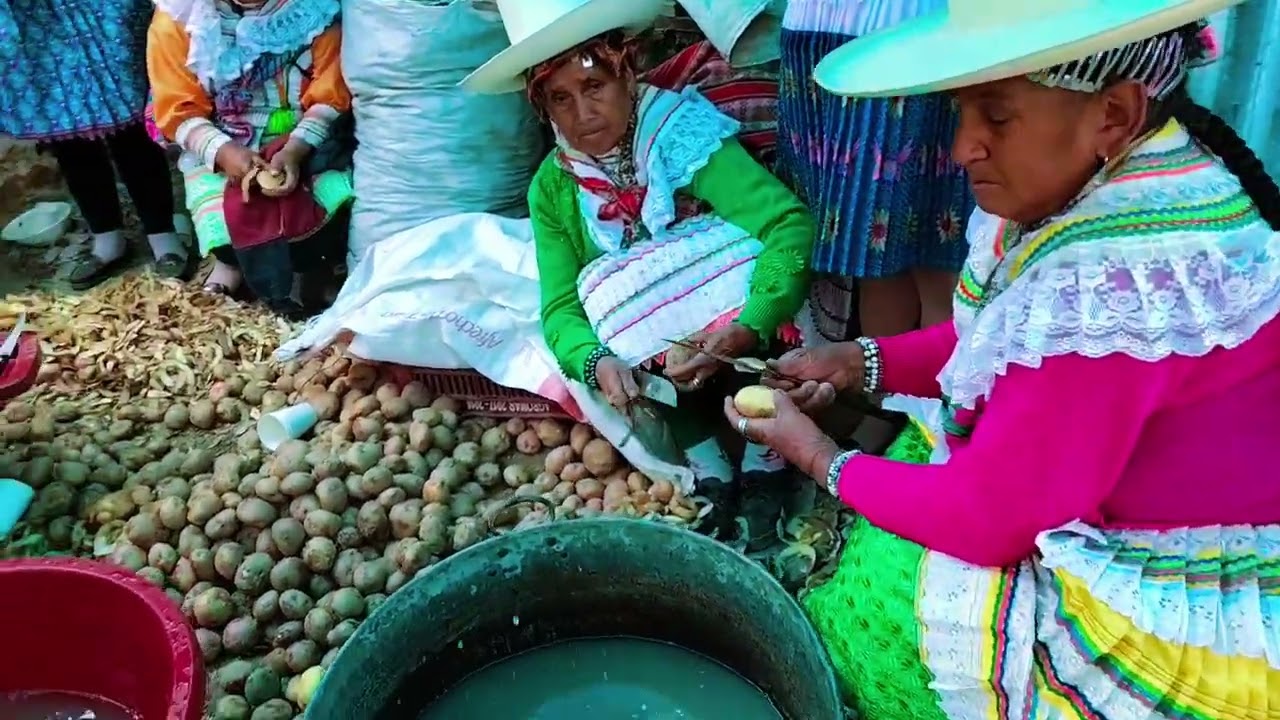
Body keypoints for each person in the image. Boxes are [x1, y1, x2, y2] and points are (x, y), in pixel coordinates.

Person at [724, 1, 1280, 717]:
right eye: (963, 116)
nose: (963, 149)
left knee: (893, 616)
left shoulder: (1113, 275)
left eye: (998, 117)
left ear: (1112, 112)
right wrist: (860, 360)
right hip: (1112, 481)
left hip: (1186, 570)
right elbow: (1000, 342)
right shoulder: (1128, 176)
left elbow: (989, 522)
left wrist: (818, 457)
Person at [463, 0, 818, 541]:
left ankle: (765, 459)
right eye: (561, 99)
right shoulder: (554, 187)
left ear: (626, 73)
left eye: (594, 87)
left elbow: (786, 225)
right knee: (608, 295)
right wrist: (596, 361)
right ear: (544, 110)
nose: (582, 115)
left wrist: (751, 321)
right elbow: (560, 306)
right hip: (665, 367)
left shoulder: (680, 134)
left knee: (725, 260)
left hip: (740, 340)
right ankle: (709, 468)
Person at [777, 0, 974, 341]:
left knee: (932, 256)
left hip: (908, 36)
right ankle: (887, 387)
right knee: (880, 258)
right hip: (827, 32)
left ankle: (934, 389)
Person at [146, 0, 353, 317]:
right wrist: (225, 152)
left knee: (325, 197)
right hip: (221, 140)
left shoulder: (315, 11)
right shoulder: (179, 19)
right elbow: (178, 109)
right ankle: (230, 263)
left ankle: (313, 267)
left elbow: (330, 93)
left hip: (304, 137)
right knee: (220, 210)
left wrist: (295, 149)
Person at [0, 0, 190, 290]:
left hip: (103, 10)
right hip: (37, 19)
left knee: (131, 120)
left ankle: (163, 234)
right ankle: (107, 238)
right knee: (67, 131)